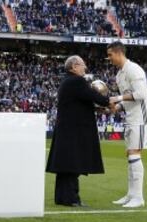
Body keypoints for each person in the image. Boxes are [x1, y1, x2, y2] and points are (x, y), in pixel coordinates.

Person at [46, 55, 111, 207]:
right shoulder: (77, 81)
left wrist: (99, 108)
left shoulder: (67, 81)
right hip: (73, 131)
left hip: (66, 129)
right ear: (74, 66)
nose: (85, 68)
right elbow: (93, 96)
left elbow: (80, 102)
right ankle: (72, 198)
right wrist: (110, 101)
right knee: (72, 165)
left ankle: (61, 198)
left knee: (64, 167)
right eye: (82, 65)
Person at [108, 42, 147, 208]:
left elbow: (141, 94)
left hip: (141, 118)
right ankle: (131, 194)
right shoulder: (120, 74)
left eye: (110, 55)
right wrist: (116, 108)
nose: (109, 58)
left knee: (134, 153)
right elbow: (128, 99)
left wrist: (118, 99)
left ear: (118, 53)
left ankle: (138, 197)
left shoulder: (134, 69)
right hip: (131, 117)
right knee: (130, 155)